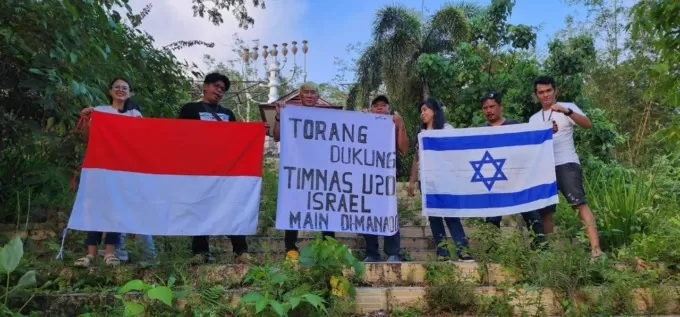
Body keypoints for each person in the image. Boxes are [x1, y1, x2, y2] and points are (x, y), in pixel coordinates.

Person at [74, 78, 156, 267]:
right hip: (101, 168)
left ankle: (110, 252)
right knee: (96, 207)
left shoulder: (135, 114)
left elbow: (140, 139)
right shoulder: (100, 111)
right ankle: (90, 254)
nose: (120, 90)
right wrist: (87, 119)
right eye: (117, 87)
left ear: (130, 93)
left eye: (125, 88)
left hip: (124, 170)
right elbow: (88, 137)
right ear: (110, 91)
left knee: (116, 208)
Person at [177, 72, 254, 264]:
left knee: (231, 207)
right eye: (216, 86)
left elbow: (237, 140)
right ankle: (200, 252)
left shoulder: (228, 114)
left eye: (222, 89)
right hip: (198, 170)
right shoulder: (189, 109)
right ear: (205, 86)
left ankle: (241, 251)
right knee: (200, 208)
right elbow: (179, 136)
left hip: (225, 171)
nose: (219, 91)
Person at [528, 76, 602, 258]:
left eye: (548, 91)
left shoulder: (567, 107)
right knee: (545, 211)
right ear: (536, 95)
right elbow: (531, 146)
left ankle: (596, 250)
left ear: (555, 91)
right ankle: (547, 254)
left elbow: (587, 124)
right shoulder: (534, 119)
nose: (545, 95)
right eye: (541, 92)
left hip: (566, 163)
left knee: (579, 204)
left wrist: (567, 111)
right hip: (544, 168)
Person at [273, 81, 336, 262]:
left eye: (313, 93)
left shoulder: (325, 116)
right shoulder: (290, 114)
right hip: (297, 171)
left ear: (317, 97)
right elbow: (277, 136)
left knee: (325, 207)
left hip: (321, 172)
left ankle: (328, 246)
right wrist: (279, 117)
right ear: (300, 96)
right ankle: (290, 248)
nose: (309, 95)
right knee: (293, 206)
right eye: (306, 92)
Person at [407, 98, 474, 262]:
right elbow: (416, 159)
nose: (422, 113)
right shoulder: (421, 134)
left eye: (425, 110)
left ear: (435, 111)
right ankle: (442, 252)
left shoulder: (446, 129)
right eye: (421, 111)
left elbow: (454, 152)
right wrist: (411, 181)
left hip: (445, 179)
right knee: (434, 216)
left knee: (451, 214)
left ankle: (462, 249)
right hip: (427, 180)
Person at [479, 91, 547, 249]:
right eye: (485, 108)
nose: (489, 110)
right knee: (493, 218)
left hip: (518, 180)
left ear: (500, 106)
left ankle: (541, 249)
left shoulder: (515, 125)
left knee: (531, 214)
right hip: (494, 182)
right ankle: (492, 252)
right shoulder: (480, 131)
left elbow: (530, 147)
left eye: (492, 106)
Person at [362, 95, 409, 262]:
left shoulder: (393, 125)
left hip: (386, 176)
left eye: (383, 105)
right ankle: (371, 252)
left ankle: (393, 252)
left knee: (389, 212)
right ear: (371, 109)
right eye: (376, 105)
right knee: (368, 213)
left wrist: (400, 125)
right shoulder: (363, 123)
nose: (380, 108)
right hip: (366, 176)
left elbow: (404, 149)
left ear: (389, 109)